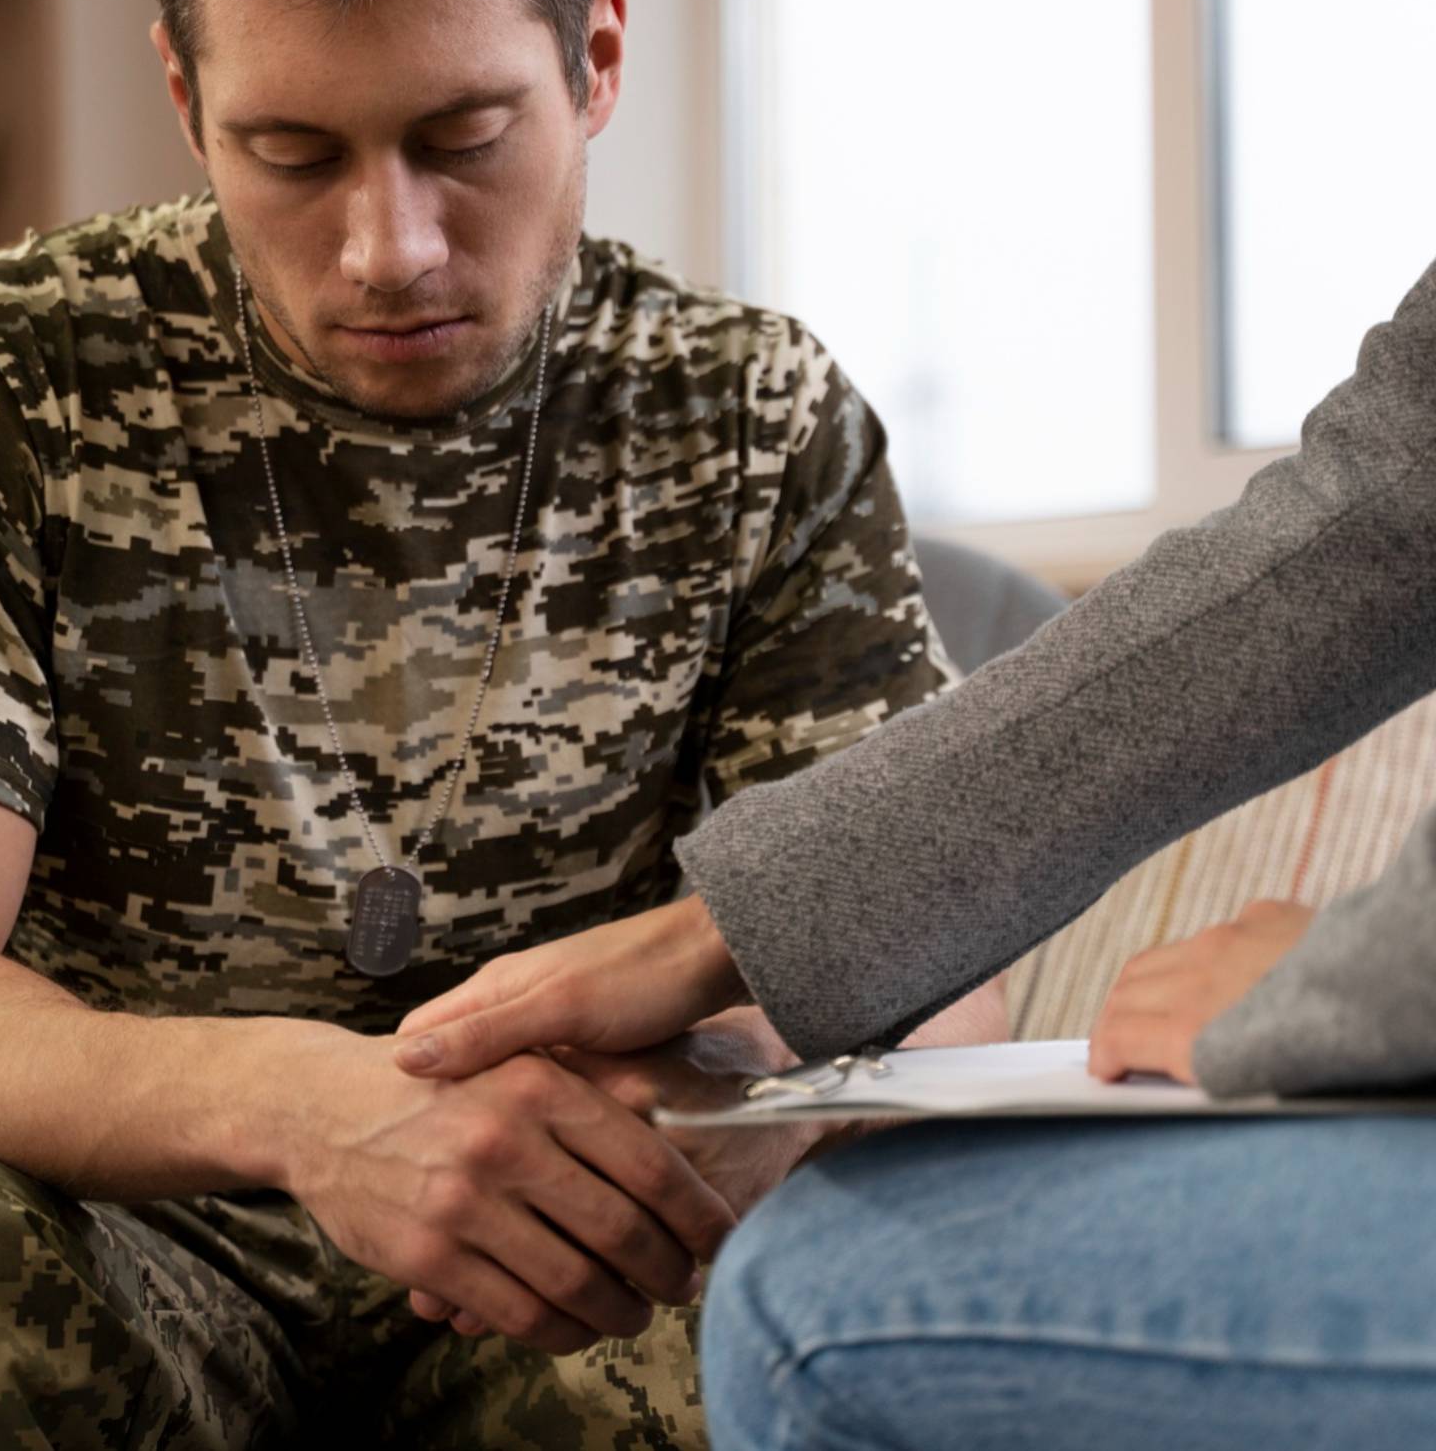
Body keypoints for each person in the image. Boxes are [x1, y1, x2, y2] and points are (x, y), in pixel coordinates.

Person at [0, 0, 1002, 1448]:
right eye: (295, 154)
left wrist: (668, 1117)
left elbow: (927, 957)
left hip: (578, 1246)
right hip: (119, 1225)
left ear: (597, 54)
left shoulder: (752, 414)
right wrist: (306, 1103)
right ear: (187, 99)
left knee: (896, 1299)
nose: (390, 246)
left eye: (465, 134)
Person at [391, 259, 1436, 1445]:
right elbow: (1387, 506)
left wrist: (1352, 982)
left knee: (814, 1304)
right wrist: (731, 931)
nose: (390, 249)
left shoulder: (754, 407)